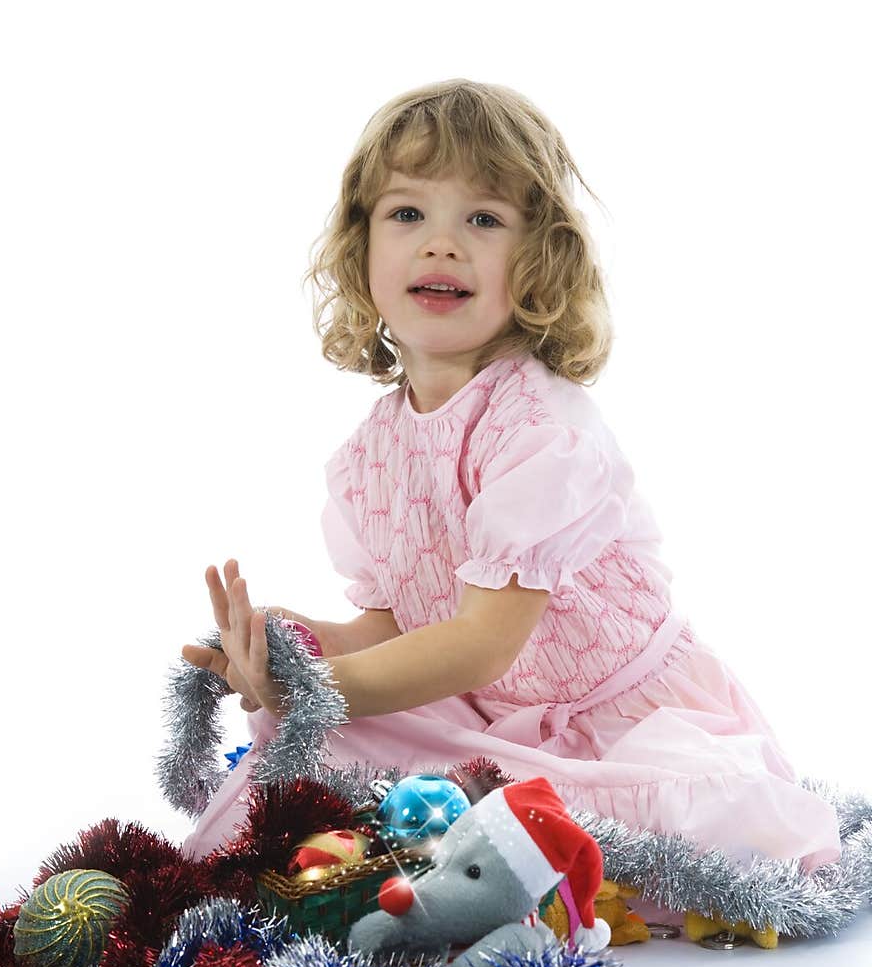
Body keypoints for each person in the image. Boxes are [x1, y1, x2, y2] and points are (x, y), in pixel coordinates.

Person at [180, 78, 840, 885]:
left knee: (688, 826)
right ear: (361, 250)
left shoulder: (540, 431)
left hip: (624, 722)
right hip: (503, 720)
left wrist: (325, 690)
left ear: (537, 262)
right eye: (408, 214)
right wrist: (299, 649)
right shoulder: (370, 457)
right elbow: (397, 629)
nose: (441, 244)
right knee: (327, 744)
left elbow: (482, 643)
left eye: (483, 220)